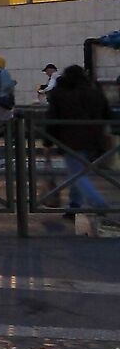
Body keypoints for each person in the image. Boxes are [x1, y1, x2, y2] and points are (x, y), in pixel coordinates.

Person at [42, 64, 118, 236]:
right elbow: (108, 114)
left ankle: (98, 203)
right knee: (78, 172)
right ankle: (74, 206)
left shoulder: (60, 94)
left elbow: (52, 120)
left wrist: (47, 143)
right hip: (95, 141)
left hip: (71, 140)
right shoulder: (94, 92)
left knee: (77, 174)